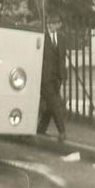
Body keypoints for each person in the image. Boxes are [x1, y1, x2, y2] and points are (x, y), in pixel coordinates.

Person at [37, 13, 67, 142]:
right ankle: (62, 131)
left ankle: (41, 128)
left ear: (59, 25)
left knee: (51, 104)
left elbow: (62, 58)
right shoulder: (42, 37)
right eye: (50, 23)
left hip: (56, 78)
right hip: (44, 77)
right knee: (56, 103)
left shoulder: (61, 38)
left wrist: (63, 76)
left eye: (54, 23)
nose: (51, 26)